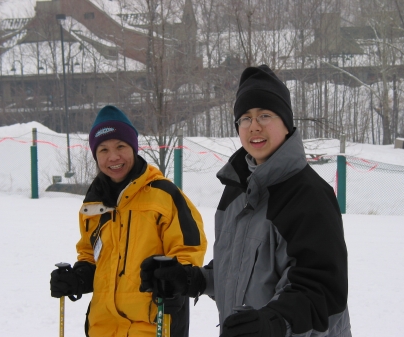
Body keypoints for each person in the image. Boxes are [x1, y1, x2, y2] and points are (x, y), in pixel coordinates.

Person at [140, 65, 352, 337]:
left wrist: (274, 322)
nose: (254, 126)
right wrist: (193, 280)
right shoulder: (236, 190)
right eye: (245, 118)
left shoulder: (308, 195)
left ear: (286, 123)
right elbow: (239, 270)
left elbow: (322, 289)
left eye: (265, 115)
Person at [50, 105, 207, 337]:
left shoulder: (164, 195)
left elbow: (189, 250)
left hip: (154, 325)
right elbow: (91, 256)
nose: (113, 157)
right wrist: (78, 278)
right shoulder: (93, 205)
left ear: (133, 148)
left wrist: (177, 280)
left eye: (121, 146)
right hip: (102, 328)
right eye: (103, 149)